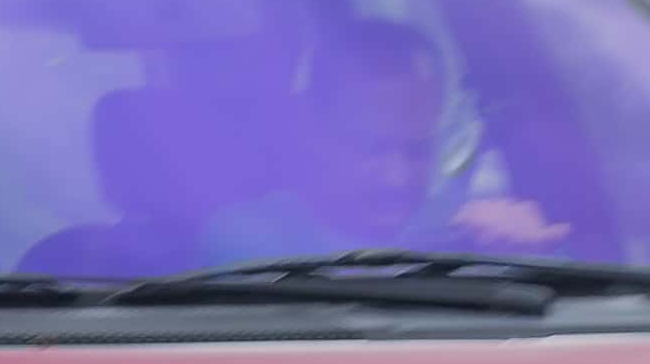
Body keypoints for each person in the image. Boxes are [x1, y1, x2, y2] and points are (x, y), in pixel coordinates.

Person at [198, 18, 566, 266]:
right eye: (369, 149)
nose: (396, 177)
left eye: (417, 150)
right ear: (313, 135)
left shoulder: (467, 227)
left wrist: (527, 253)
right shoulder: (250, 244)